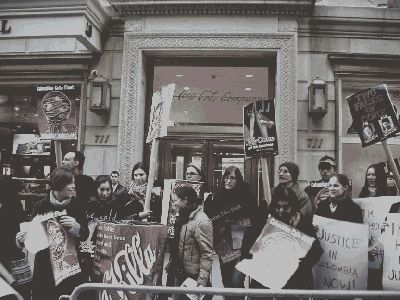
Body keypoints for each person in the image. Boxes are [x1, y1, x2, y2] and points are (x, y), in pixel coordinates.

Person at [16, 167, 89, 300]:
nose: (74, 186)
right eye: (70, 183)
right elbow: (30, 235)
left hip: (69, 267)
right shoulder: (40, 206)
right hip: (45, 267)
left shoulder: (77, 205)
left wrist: (76, 227)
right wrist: (21, 239)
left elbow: (85, 235)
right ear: (59, 185)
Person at [241, 186, 323, 296]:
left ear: (293, 207)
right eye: (277, 207)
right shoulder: (264, 221)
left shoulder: (302, 223)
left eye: (285, 207)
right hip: (264, 281)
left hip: (294, 283)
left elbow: (316, 251)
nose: (281, 211)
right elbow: (247, 249)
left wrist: (298, 265)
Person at [205, 166, 256, 300]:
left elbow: (252, 220)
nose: (228, 181)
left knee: (236, 282)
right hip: (224, 245)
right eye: (226, 177)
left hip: (241, 245)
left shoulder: (247, 197)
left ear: (238, 180)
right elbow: (211, 218)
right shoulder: (218, 196)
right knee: (227, 282)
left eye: (232, 178)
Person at [166, 186, 213, 300]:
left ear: (185, 200)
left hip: (194, 277)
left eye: (176, 200)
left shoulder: (201, 221)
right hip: (181, 273)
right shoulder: (182, 217)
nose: (174, 203)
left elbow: (207, 253)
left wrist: (202, 280)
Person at [0, 175, 30, 299]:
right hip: (15, 253)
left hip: (4, 255)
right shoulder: (16, 205)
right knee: (21, 290)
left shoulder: (3, 208)